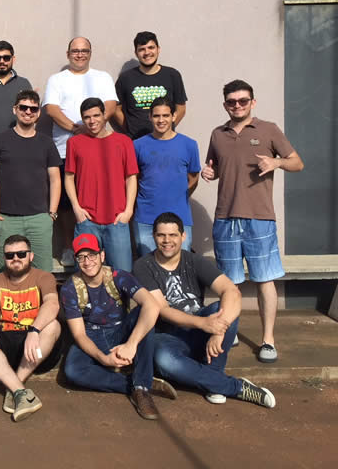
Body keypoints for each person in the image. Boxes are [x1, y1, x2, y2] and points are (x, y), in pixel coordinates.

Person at [202, 79, 304, 363]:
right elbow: (216, 168)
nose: (237, 105)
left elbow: (297, 162)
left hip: (260, 218)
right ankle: (230, 330)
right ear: (225, 105)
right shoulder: (217, 134)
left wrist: (276, 162)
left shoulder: (268, 129)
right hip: (225, 217)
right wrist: (210, 174)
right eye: (232, 101)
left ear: (252, 102)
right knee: (229, 283)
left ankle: (268, 340)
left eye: (243, 101)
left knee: (264, 279)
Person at [133, 213, 276, 408]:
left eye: (173, 235)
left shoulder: (194, 261)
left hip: (201, 333)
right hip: (168, 336)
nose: (167, 241)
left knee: (222, 308)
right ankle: (231, 386)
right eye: (161, 235)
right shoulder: (143, 266)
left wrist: (219, 330)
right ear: (154, 236)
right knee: (163, 360)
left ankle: (213, 377)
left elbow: (232, 292)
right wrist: (204, 323)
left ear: (183, 236)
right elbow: (162, 310)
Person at [61, 234, 175, 420]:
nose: (87, 262)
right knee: (73, 371)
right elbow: (80, 334)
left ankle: (142, 389)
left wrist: (131, 344)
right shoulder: (70, 288)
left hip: (120, 330)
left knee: (144, 313)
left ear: (102, 255)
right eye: (81, 257)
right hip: (91, 335)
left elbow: (152, 305)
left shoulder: (118, 276)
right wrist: (104, 359)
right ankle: (138, 384)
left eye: (92, 255)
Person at [0, 235, 61, 422]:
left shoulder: (44, 277)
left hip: (36, 349)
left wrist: (34, 331)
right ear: (5, 258)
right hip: (8, 341)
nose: (16, 259)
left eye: (21, 254)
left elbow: (52, 304)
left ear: (31, 256)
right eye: (10, 255)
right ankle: (20, 392)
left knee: (53, 325)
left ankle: (14, 385)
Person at [44, 37, 118, 265]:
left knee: (97, 198)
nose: (80, 54)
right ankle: (69, 247)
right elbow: (52, 109)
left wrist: (91, 128)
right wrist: (77, 129)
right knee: (67, 204)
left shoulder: (102, 77)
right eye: (75, 51)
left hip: (99, 152)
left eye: (84, 50)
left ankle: (97, 250)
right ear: (68, 54)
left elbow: (111, 106)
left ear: (90, 53)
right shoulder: (57, 79)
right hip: (64, 150)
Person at [0, 90, 61, 273]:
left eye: (33, 109)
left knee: (43, 272)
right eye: (23, 107)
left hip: (39, 219)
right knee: (6, 271)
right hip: (6, 219)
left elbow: (55, 179)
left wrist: (51, 213)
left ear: (38, 113)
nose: (28, 112)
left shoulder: (46, 143)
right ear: (15, 109)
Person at [65, 97, 138, 273]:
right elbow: (68, 177)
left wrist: (128, 211)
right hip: (86, 220)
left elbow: (131, 178)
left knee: (122, 274)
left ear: (104, 115)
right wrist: (76, 208)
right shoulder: (74, 143)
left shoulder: (124, 141)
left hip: (117, 219)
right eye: (87, 117)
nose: (92, 121)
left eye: (96, 115)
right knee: (85, 274)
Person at [133, 96, 201, 256]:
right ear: (150, 117)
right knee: (148, 266)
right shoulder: (137, 145)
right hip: (146, 217)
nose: (161, 120)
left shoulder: (189, 144)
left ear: (174, 116)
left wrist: (177, 196)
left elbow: (193, 178)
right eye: (156, 116)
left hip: (180, 217)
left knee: (180, 266)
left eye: (165, 115)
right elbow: (132, 180)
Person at [114, 31, 188, 139]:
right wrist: (130, 129)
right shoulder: (125, 78)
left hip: (165, 140)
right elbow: (116, 109)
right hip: (136, 141)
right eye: (142, 49)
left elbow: (181, 108)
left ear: (158, 49)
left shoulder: (172, 75)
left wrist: (166, 129)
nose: (147, 52)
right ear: (136, 53)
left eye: (151, 47)